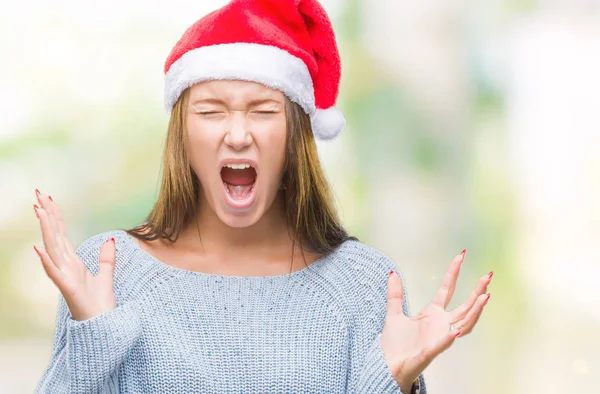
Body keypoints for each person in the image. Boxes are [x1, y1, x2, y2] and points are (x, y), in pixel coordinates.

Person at [33, 0, 493, 393]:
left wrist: (391, 379)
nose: (237, 135)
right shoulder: (110, 272)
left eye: (263, 110)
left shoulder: (363, 286)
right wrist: (95, 341)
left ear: (295, 133)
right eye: (211, 111)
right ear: (182, 134)